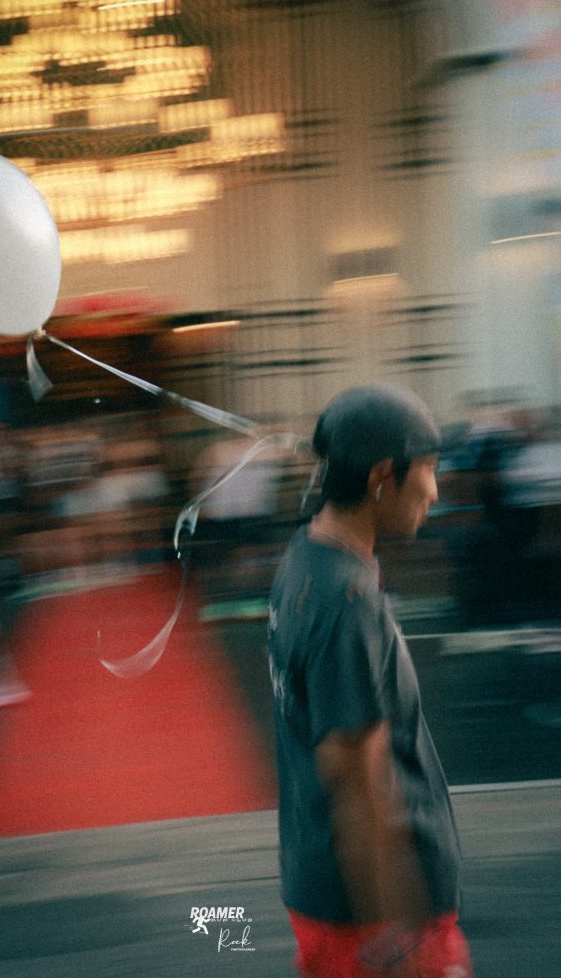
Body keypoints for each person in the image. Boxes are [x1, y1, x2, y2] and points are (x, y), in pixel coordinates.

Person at [267, 383, 473, 978]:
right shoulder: (348, 602)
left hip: (330, 900)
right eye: (429, 469)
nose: (435, 490)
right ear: (383, 476)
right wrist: (397, 942)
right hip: (373, 928)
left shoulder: (305, 558)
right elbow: (359, 786)